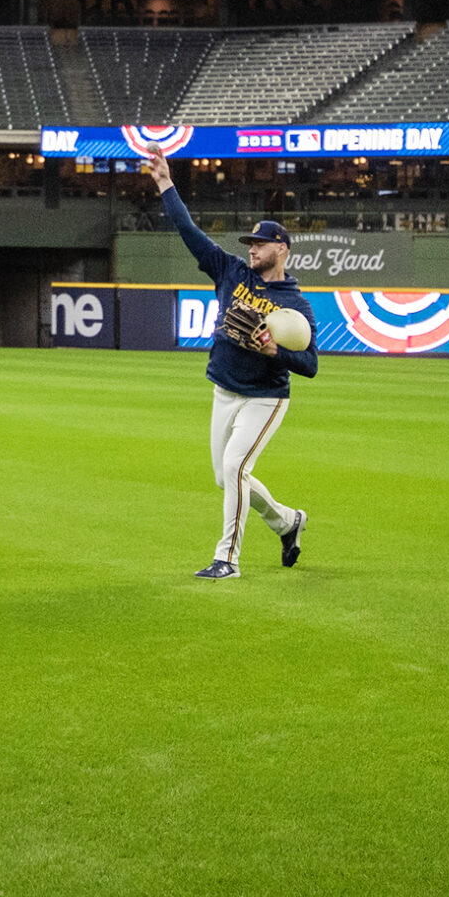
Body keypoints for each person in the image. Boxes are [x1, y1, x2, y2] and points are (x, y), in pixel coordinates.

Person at [141, 148, 316, 580]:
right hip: (223, 388)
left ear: (282, 248)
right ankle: (287, 522)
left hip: (265, 397)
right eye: (251, 244)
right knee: (227, 479)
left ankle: (227, 559)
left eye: (260, 243)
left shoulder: (294, 305)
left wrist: (278, 352)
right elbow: (189, 231)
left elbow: (310, 364)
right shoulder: (231, 271)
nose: (252, 249)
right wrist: (166, 183)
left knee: (237, 468)